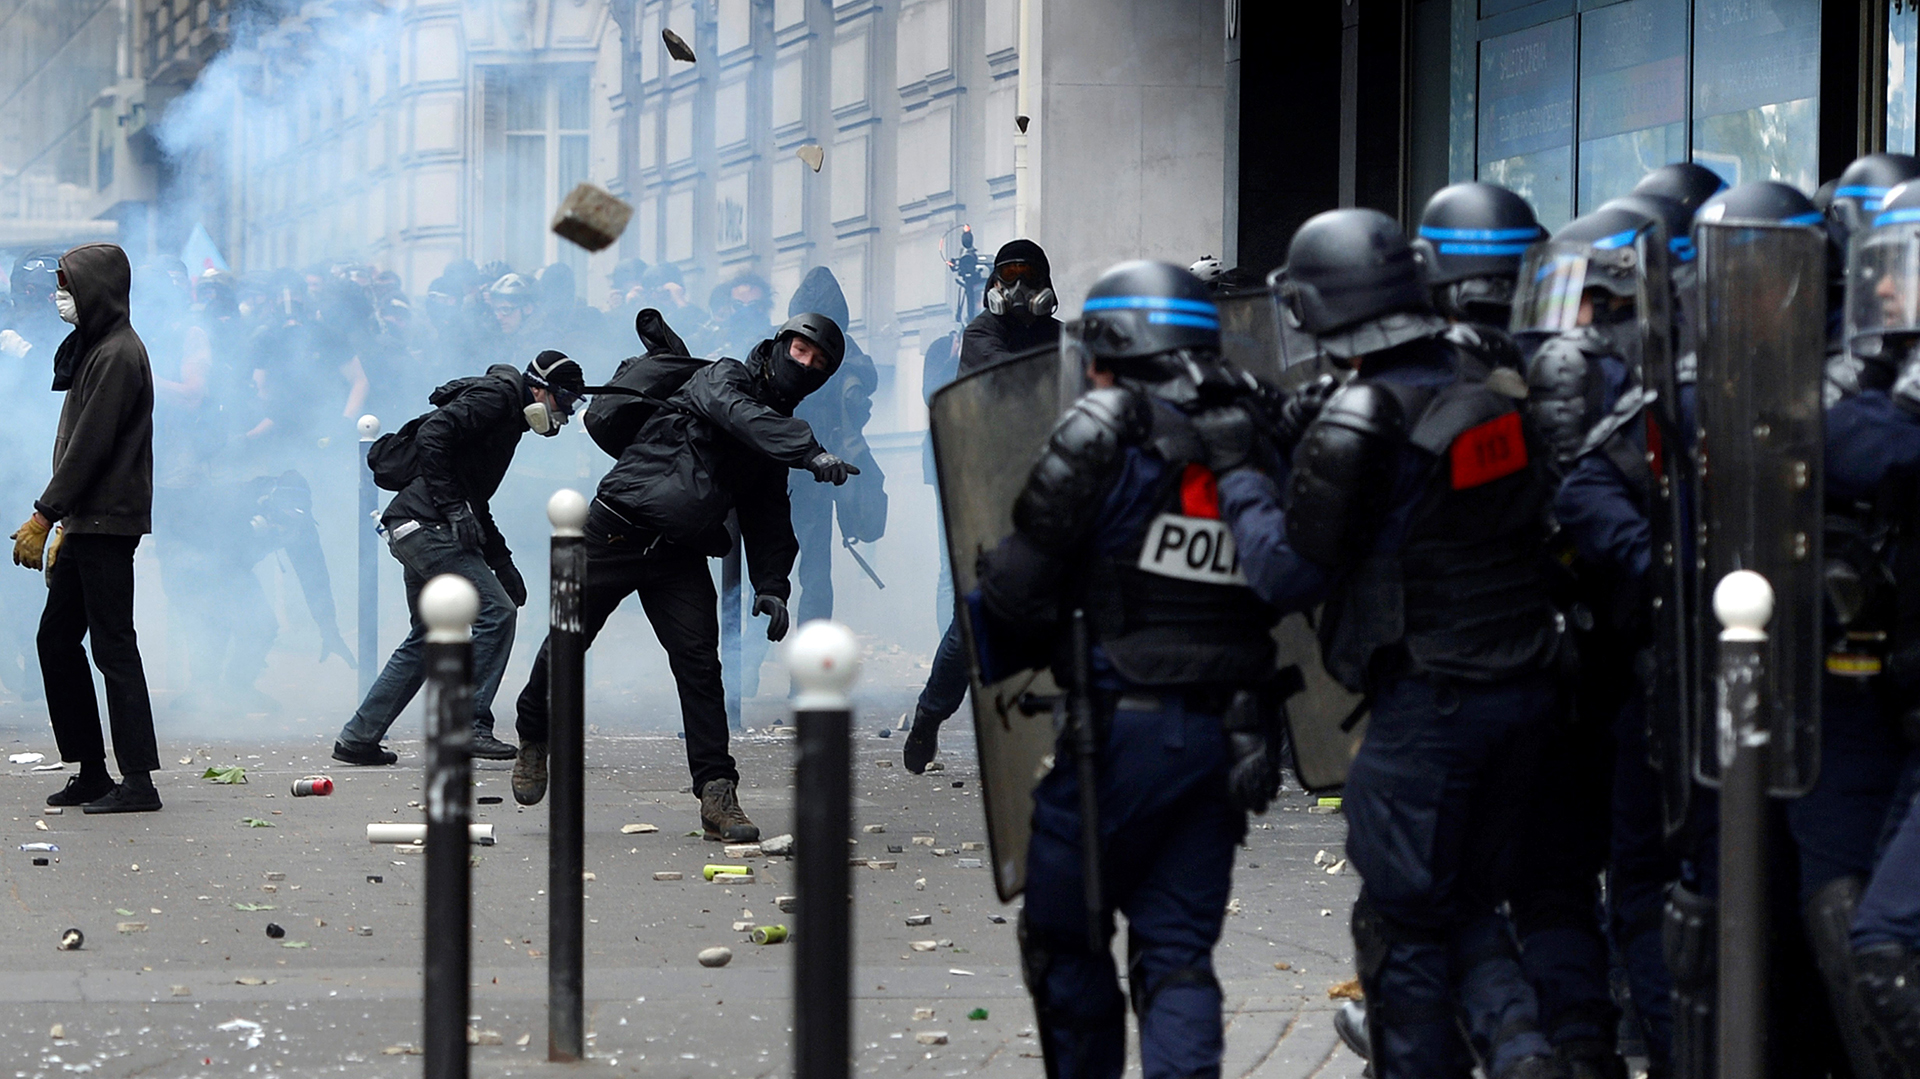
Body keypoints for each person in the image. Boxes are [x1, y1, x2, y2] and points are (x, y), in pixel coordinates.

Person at [1217, 209, 1568, 1079]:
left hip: (1430, 708)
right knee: (1468, 902)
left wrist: (1235, 474)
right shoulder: (1488, 380)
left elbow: (1286, 572)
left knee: (1403, 922)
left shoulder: (1362, 413)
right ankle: (1527, 1052)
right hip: (1524, 689)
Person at [970, 261, 1287, 1079]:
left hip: (1115, 737)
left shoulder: (1101, 429)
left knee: (1065, 933)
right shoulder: (1253, 429)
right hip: (1229, 736)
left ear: (1107, 349)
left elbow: (1015, 592)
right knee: (1178, 952)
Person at [508, 314, 859, 844]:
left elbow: (768, 514)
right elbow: (737, 414)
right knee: (566, 641)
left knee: (700, 669)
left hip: (679, 552)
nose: (803, 363)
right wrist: (808, 449)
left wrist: (772, 585)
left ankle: (717, 792)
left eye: (817, 361)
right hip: (615, 529)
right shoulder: (724, 378)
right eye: (799, 349)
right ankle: (533, 732)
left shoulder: (772, 439)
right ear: (779, 344)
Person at [331, 350, 588, 766]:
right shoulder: (500, 398)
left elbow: (475, 500)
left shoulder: (507, 419)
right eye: (562, 403)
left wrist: (501, 562)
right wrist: (452, 509)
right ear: (539, 389)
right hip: (427, 526)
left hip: (413, 526)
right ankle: (470, 724)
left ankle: (358, 738)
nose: (563, 415)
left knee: (430, 637)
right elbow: (434, 435)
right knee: (496, 613)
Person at [10, 243, 164, 814]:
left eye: (67, 285)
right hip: (86, 520)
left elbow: (90, 448)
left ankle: (139, 781)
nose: (60, 297)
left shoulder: (119, 354)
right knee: (56, 639)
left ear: (94, 289)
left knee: (113, 645)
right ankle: (92, 770)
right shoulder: (96, 349)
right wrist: (65, 522)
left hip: (105, 520)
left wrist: (44, 516)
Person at [902, 238, 1065, 773]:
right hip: (992, 489)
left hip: (1054, 490)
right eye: (1006, 276)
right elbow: (1008, 388)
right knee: (976, 617)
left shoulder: (1062, 338)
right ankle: (930, 714)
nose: (1016, 288)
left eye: (1026, 276)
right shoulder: (980, 335)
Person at [786, 266, 885, 624]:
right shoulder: (782, 344)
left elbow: (862, 382)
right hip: (783, 474)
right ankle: (746, 669)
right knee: (774, 578)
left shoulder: (844, 353)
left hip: (813, 474)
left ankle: (803, 673)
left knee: (809, 578)